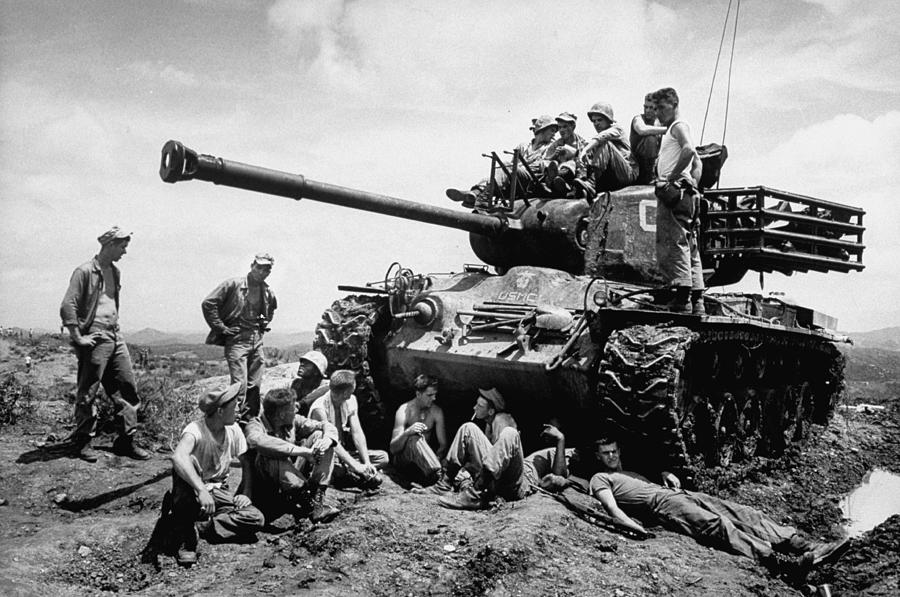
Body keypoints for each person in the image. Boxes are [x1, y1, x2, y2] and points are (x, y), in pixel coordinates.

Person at [588, 437, 850, 573]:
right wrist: (630, 524)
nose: (611, 456)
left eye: (614, 451)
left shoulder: (632, 472)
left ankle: (802, 546)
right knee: (718, 525)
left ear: (619, 451)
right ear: (597, 457)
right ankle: (780, 564)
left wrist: (665, 473)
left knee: (744, 513)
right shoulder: (600, 478)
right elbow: (612, 508)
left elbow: (654, 474)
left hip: (682, 494)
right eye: (605, 453)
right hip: (663, 505)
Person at [59, 226, 149, 462]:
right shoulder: (84, 271)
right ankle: (83, 442)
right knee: (88, 390)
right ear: (110, 244)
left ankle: (125, 441)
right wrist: (78, 337)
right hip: (95, 336)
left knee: (126, 387)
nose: (125, 251)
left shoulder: (115, 272)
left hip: (115, 335)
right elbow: (68, 305)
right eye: (123, 246)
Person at [168, 382, 265, 566]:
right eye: (235, 405)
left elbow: (246, 463)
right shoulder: (195, 430)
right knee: (188, 464)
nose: (239, 408)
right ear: (220, 411)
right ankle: (186, 538)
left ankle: (202, 526)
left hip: (219, 492)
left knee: (255, 518)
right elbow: (178, 456)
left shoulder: (233, 429)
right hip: (193, 492)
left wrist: (246, 493)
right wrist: (201, 490)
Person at [243, 388, 340, 524]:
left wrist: (327, 440)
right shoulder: (255, 425)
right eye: (292, 407)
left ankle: (315, 497)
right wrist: (301, 451)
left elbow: (325, 425)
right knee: (273, 454)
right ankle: (308, 503)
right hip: (266, 488)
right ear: (281, 414)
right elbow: (257, 440)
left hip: (293, 481)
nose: (296, 409)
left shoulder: (293, 421)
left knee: (320, 436)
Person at [202, 253, 278, 423]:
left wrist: (264, 322)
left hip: (256, 340)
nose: (262, 272)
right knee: (239, 385)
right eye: (259, 267)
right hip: (237, 340)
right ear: (252, 266)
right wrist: (221, 328)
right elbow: (209, 303)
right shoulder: (233, 284)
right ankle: (232, 421)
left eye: (266, 269)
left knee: (255, 385)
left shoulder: (266, 291)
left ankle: (250, 422)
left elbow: (272, 308)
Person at [651, 87, 705, 314]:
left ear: (674, 105)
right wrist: (692, 183)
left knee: (674, 242)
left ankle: (682, 299)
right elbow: (698, 165)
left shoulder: (677, 126)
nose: (658, 114)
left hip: (675, 193)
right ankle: (697, 299)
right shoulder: (675, 129)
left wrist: (671, 178)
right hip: (686, 193)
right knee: (689, 246)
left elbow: (689, 151)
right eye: (655, 109)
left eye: (662, 108)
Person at [437, 388, 527, 510]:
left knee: (509, 432)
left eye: (479, 406)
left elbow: (502, 456)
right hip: (492, 479)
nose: (474, 408)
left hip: (507, 482)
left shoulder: (502, 420)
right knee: (468, 428)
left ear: (490, 411)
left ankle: (474, 495)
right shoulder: (489, 424)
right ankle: (444, 484)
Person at [445, 115, 559, 209]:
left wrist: (518, 167)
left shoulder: (550, 147)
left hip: (531, 180)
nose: (554, 134)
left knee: (506, 167)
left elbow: (540, 166)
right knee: (498, 171)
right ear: (542, 130)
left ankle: (483, 196)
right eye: (552, 130)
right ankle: (474, 193)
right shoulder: (523, 146)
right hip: (516, 177)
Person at [309, 370, 389, 489]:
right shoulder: (319, 409)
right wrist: (356, 465)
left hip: (344, 452)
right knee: (338, 468)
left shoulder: (351, 400)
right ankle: (350, 474)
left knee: (383, 457)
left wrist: (366, 461)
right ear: (347, 392)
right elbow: (331, 441)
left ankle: (354, 472)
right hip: (326, 454)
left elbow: (357, 432)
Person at [389, 374, 448, 485]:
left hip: (426, 463)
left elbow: (443, 445)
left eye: (435, 395)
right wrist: (407, 433)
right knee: (414, 438)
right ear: (418, 394)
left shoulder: (436, 412)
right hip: (404, 461)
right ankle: (437, 476)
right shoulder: (404, 410)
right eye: (429, 395)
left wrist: (438, 457)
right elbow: (393, 449)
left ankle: (434, 472)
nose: (434, 398)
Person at [573, 102, 638, 199]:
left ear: (608, 120)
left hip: (627, 173)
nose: (596, 124)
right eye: (594, 121)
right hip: (612, 176)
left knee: (603, 144)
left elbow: (602, 137)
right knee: (582, 150)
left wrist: (586, 149)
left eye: (600, 120)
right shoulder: (597, 141)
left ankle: (591, 182)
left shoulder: (616, 129)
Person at [542, 112, 590, 197]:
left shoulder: (582, 144)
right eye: (559, 127)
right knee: (551, 165)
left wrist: (573, 154)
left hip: (575, 176)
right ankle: (556, 181)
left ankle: (559, 177)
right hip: (558, 178)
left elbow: (586, 164)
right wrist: (555, 155)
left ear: (573, 127)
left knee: (571, 163)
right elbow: (546, 160)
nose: (561, 130)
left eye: (565, 126)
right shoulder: (556, 144)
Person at [630, 93, 667, 185]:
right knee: (650, 139)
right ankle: (648, 176)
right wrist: (668, 129)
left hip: (655, 163)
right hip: (636, 164)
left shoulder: (661, 123)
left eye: (652, 108)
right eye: (646, 107)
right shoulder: (638, 119)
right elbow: (642, 130)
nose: (648, 110)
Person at [290, 350, 330, 416]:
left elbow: (303, 404)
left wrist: (299, 404)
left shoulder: (326, 387)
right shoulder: (296, 383)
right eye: (302, 362)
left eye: (307, 364)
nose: (301, 364)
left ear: (316, 371)